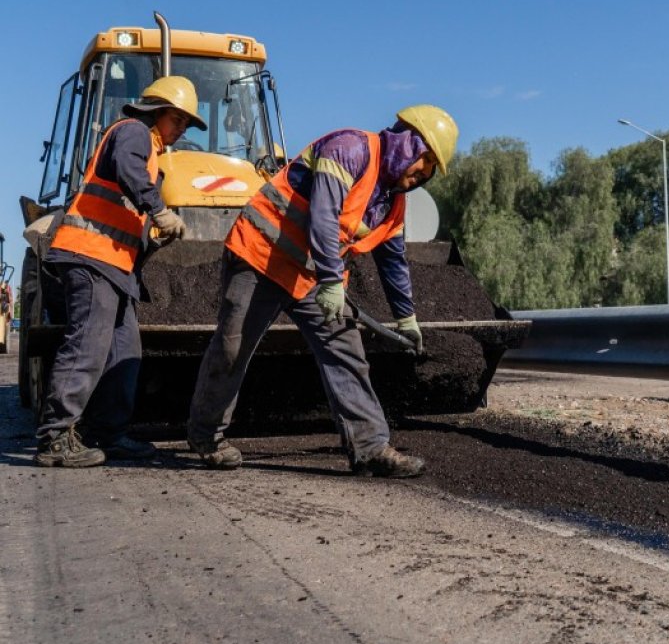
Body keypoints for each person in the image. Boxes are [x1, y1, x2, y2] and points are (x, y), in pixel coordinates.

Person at [187, 104, 458, 477]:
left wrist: (405, 317)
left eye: (430, 170)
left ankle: (370, 447)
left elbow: (393, 260)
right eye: (425, 160)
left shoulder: (393, 201)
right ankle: (207, 438)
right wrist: (332, 278)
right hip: (261, 256)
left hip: (313, 277)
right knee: (232, 347)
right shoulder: (350, 149)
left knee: (347, 353)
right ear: (408, 142)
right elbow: (324, 215)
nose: (422, 173)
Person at [35, 76, 207, 468]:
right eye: (178, 120)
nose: (181, 130)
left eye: (185, 124)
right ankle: (55, 436)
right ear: (157, 112)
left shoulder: (154, 159)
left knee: (123, 352)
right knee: (87, 346)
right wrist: (159, 208)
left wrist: (152, 238)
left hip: (115, 268)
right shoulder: (133, 133)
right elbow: (127, 172)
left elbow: (126, 213)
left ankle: (107, 433)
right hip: (90, 256)